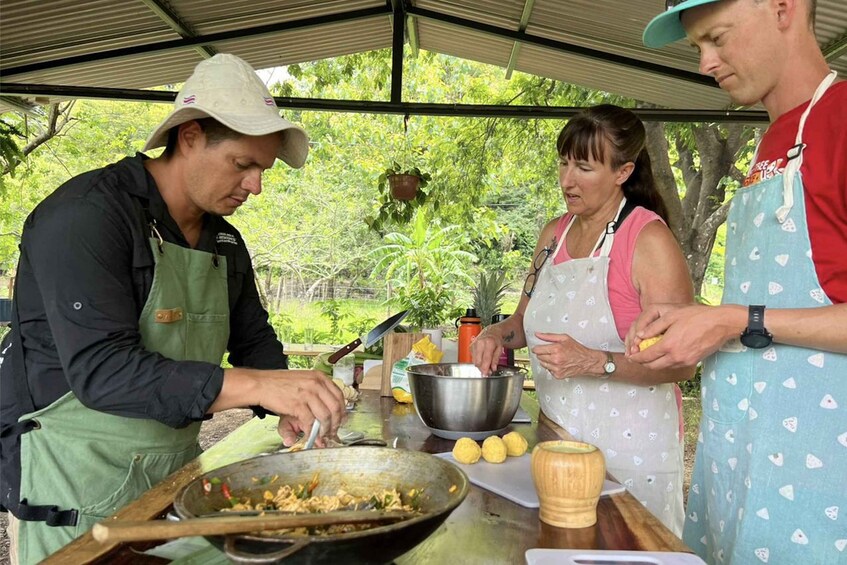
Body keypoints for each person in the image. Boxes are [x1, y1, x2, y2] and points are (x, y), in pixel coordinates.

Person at [0, 53, 347, 563]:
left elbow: (253, 339)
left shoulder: (223, 241)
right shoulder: (87, 217)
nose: (256, 186)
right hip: (76, 484)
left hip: (173, 476)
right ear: (188, 138)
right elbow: (103, 371)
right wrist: (255, 386)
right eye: (243, 164)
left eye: (263, 169)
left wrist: (284, 400)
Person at [636, 1, 847, 562]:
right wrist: (700, 318)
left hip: (821, 489)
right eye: (696, 46)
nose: (706, 62)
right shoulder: (775, 140)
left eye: (717, 37)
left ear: (784, 8)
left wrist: (736, 320)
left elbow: (760, 316)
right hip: (742, 466)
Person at [472, 104, 695, 535]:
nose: (566, 180)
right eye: (563, 163)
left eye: (584, 167)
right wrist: (496, 333)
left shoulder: (648, 239)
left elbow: (682, 362)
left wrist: (596, 361)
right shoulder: (554, 234)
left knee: (625, 552)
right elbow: (524, 322)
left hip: (631, 448)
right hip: (558, 436)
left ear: (623, 171)